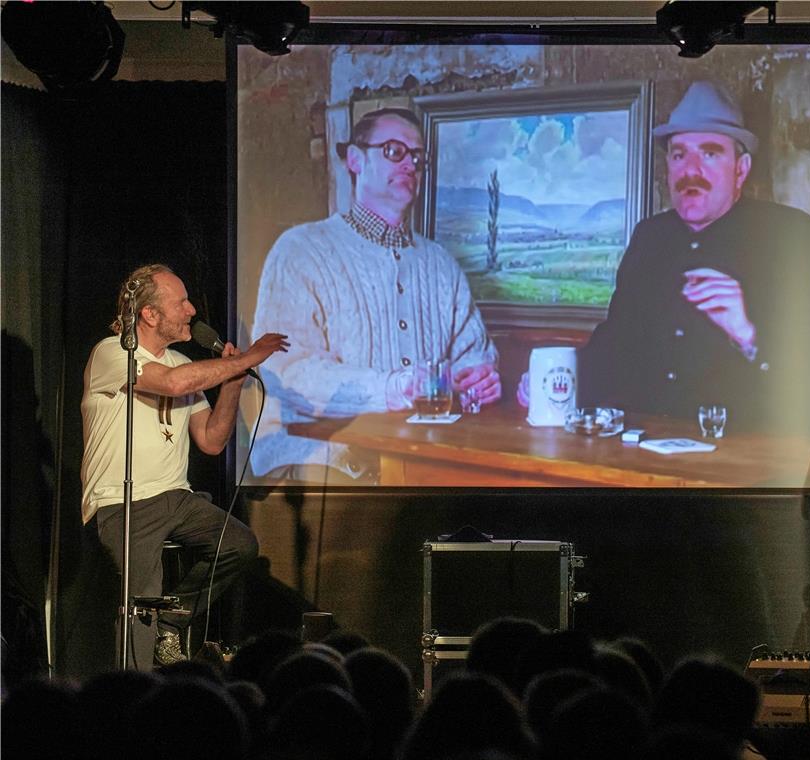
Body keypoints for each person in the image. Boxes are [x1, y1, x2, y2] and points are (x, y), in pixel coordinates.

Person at [517, 81, 810, 437]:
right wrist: (556, 378)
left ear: (741, 168)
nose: (690, 170)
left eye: (709, 153)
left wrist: (747, 334)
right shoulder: (649, 236)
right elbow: (616, 342)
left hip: (748, 452)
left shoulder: (787, 234)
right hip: (645, 447)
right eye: (679, 155)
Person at [252, 107, 501, 484]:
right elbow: (285, 373)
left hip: (420, 461)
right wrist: (391, 388)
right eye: (393, 151)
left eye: (418, 158)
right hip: (316, 463)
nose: (410, 165)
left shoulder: (441, 264)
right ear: (354, 158)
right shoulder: (300, 250)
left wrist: (481, 379)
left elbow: (475, 354)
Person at [81, 264, 289, 669]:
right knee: (140, 605)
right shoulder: (112, 352)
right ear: (150, 315)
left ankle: (173, 622)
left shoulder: (180, 361)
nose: (192, 310)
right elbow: (174, 384)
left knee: (239, 544)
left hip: (176, 497)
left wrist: (232, 383)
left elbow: (211, 440)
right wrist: (246, 357)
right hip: (124, 501)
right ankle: (136, 692)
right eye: (181, 303)